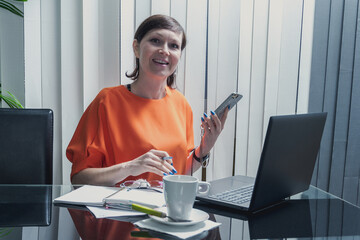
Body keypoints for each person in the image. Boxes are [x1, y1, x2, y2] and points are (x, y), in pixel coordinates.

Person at [66, 14, 228, 187]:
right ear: (136, 48)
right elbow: (79, 178)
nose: (165, 50)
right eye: (156, 41)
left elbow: (178, 171)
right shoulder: (106, 102)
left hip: (166, 211)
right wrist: (130, 167)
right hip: (118, 211)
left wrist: (204, 148)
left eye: (174, 46)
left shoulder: (181, 104)